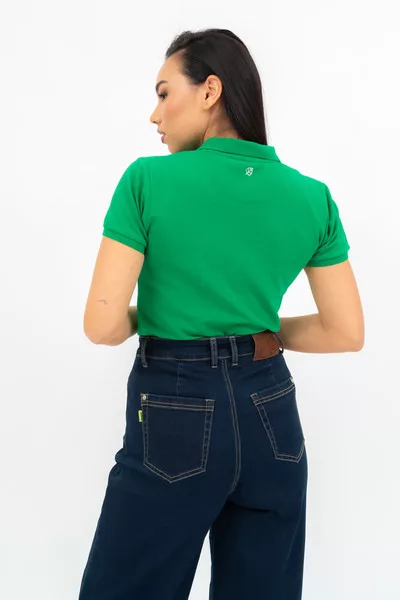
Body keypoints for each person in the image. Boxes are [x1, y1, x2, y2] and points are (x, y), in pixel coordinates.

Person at [78, 28, 365, 600]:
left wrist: (155, 314)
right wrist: (258, 333)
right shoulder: (313, 197)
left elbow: (102, 325)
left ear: (210, 90)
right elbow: (345, 331)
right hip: (272, 414)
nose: (154, 114)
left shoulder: (147, 181)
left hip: (175, 406)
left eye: (164, 93)